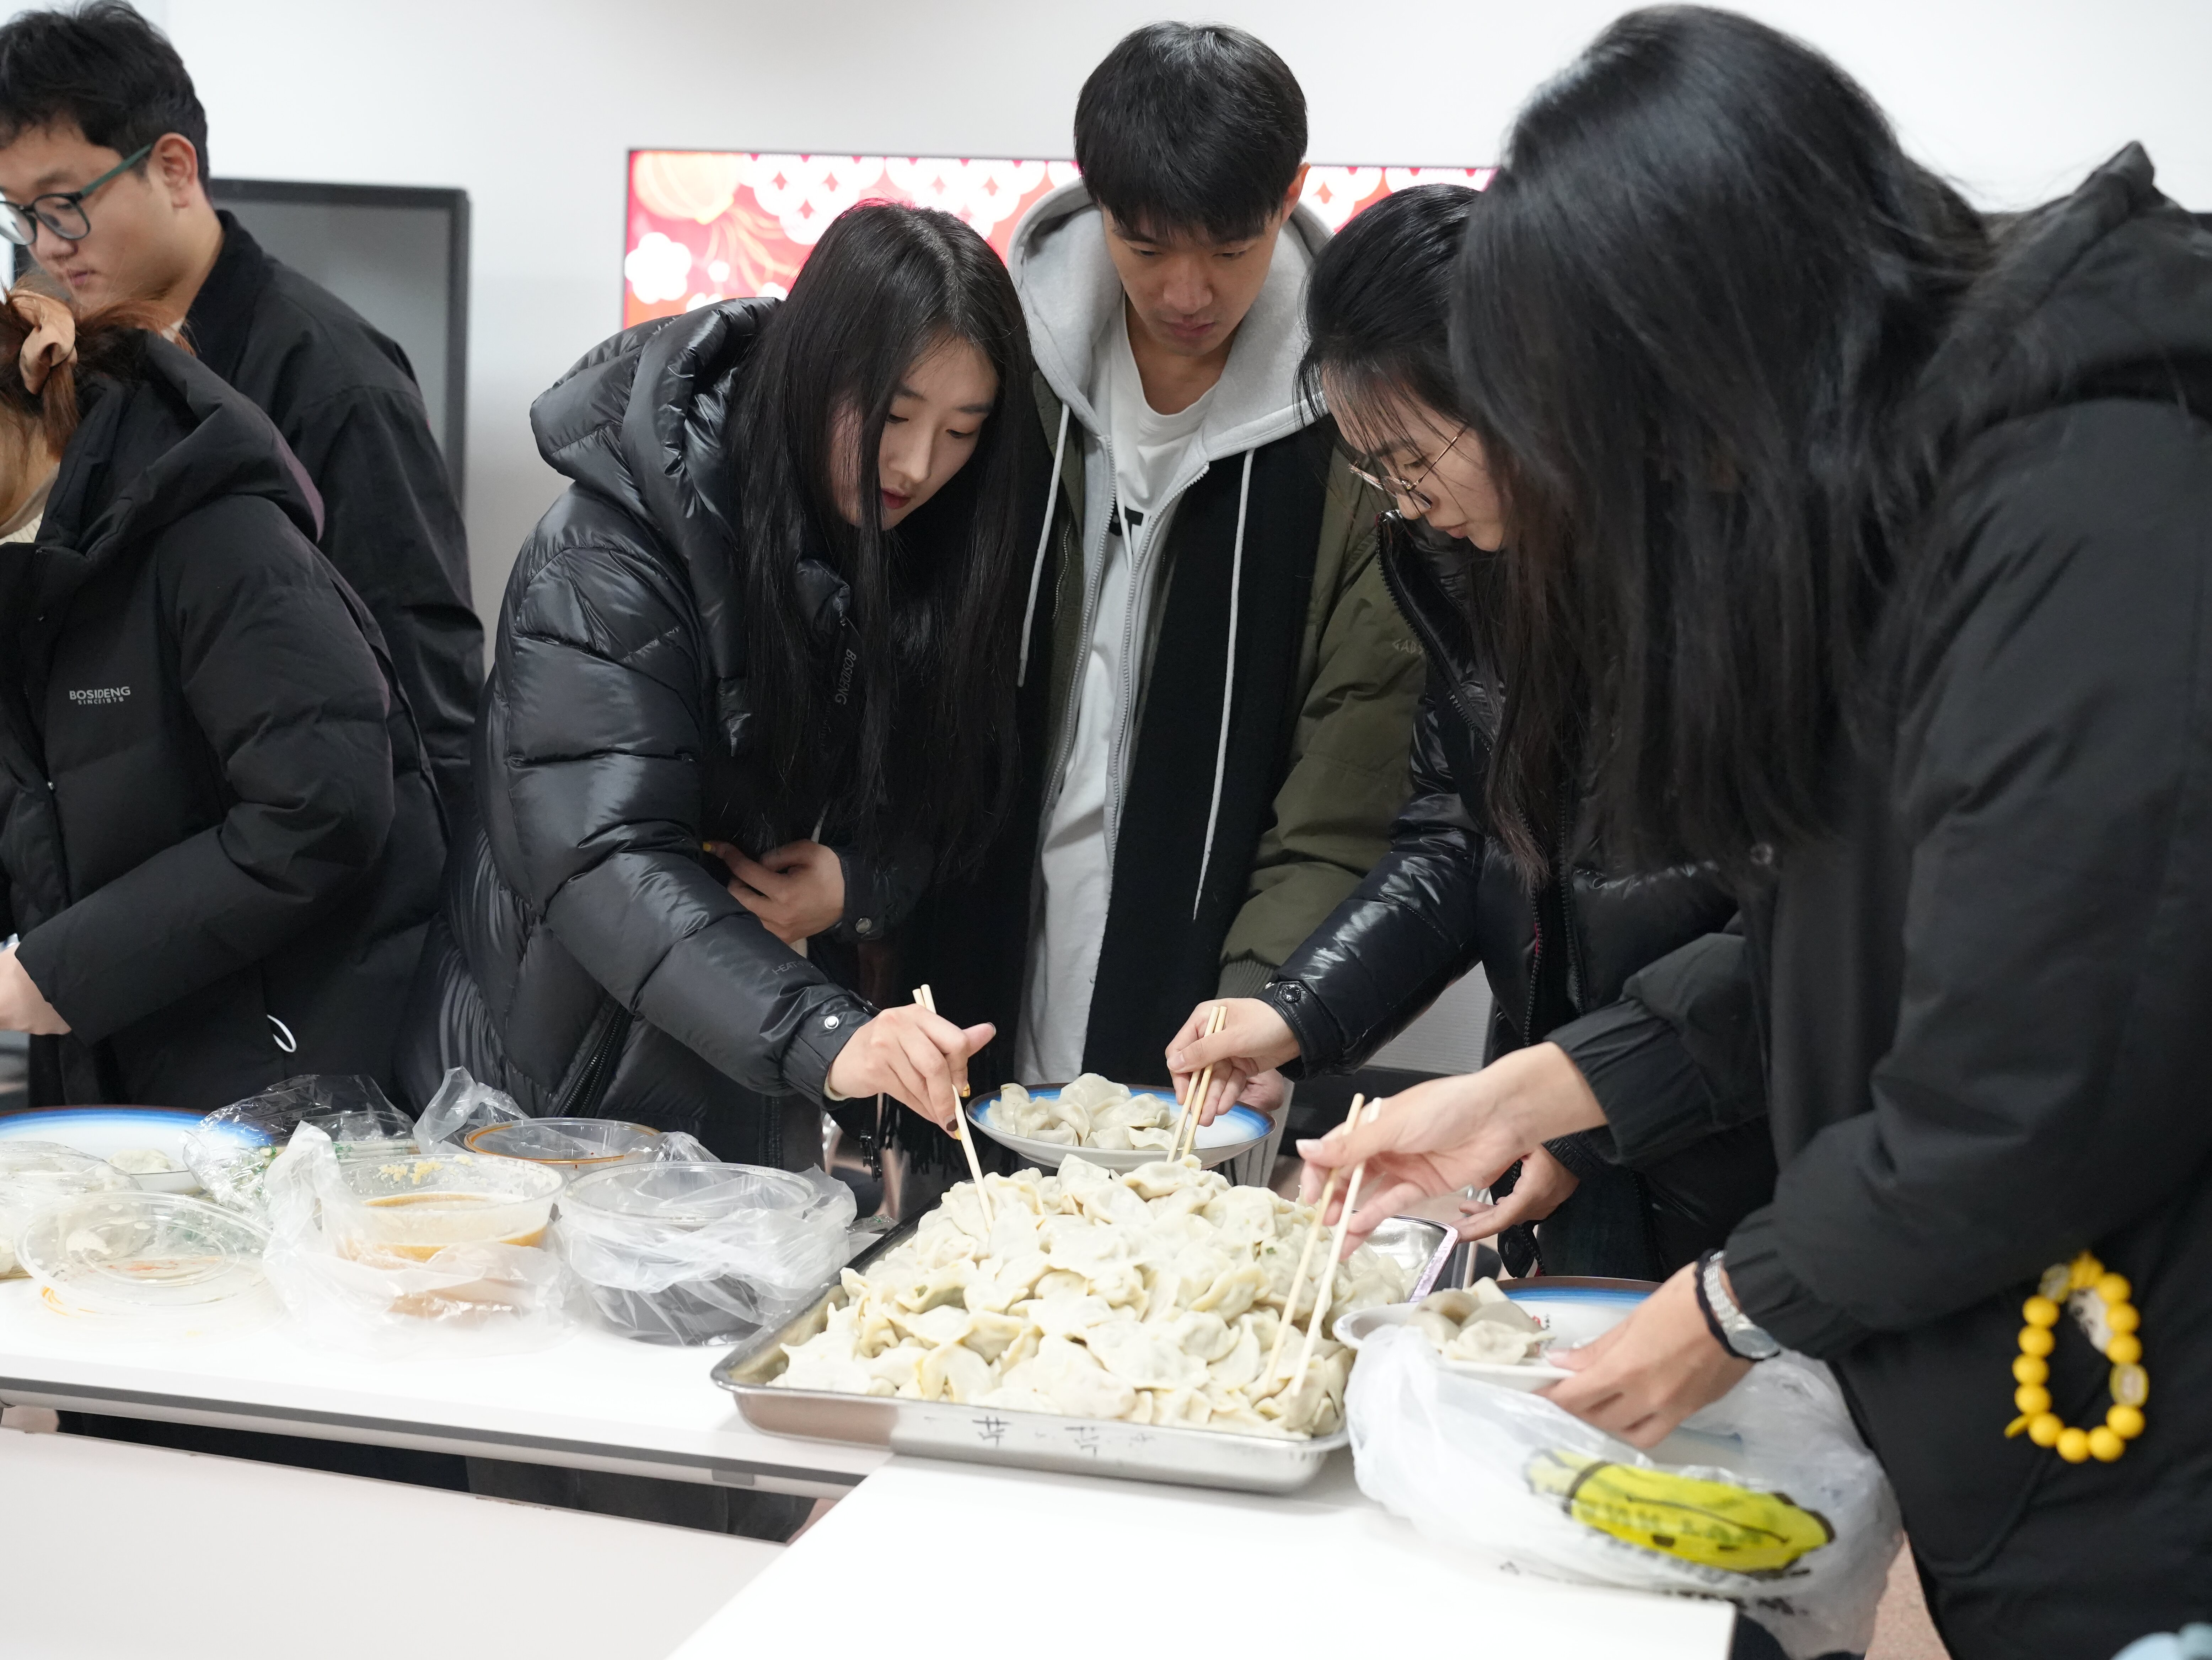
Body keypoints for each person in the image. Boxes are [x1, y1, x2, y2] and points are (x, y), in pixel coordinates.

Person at [1298, 10, 2212, 1654]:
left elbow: (2028, 1073)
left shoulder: (2087, 507)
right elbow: (1843, 946)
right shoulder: (1908, 495)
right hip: (2022, 1436)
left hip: (2144, 1464)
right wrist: (1536, 1087)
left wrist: (1737, 1299)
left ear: (1702, 341)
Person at [1165, 184, 1773, 1279]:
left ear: (1521, 391)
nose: (1402, 500)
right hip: (1562, 1123)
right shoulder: (1464, 564)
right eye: (1376, 469)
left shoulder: (1741, 581)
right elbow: (1457, 835)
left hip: (1741, 1157)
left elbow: (1786, 950)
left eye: (1411, 457)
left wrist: (1568, 1100)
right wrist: (1295, 1010)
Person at [401, 203, 1031, 1162]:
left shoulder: (906, 550)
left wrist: (854, 886)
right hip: (549, 1104)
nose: (917, 464)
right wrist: (826, 1032)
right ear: (812, 371)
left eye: (961, 432)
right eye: (896, 416)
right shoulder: (606, 558)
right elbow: (603, 858)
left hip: (739, 1102)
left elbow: (937, 804)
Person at [907, 22, 1424, 1104]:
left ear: (1290, 197)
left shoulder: (1353, 427)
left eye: (1229, 250)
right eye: (1146, 249)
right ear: (1095, 200)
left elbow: (1342, 789)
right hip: (973, 959)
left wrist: (1266, 1007)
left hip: (1204, 1007)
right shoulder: (1000, 364)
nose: (1189, 292)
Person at [0, 2, 482, 829]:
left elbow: (424, 692)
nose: (46, 244)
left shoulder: (336, 379)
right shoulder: (75, 359)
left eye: (64, 202)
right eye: (20, 213)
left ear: (174, 168)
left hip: (301, 861)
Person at [0, 290, 443, 1109]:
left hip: (293, 1070)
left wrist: (64, 970)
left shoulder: (219, 538)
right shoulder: (25, 575)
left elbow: (322, 805)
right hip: (132, 1061)